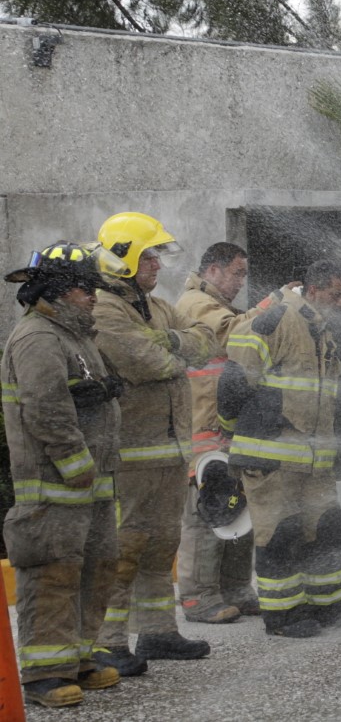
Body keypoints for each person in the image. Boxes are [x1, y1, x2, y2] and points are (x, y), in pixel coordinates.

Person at [218, 259, 341, 638]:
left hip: (313, 462)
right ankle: (283, 615)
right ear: (315, 289)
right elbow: (234, 380)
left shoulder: (319, 328)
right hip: (273, 459)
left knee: (328, 531)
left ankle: (333, 606)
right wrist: (231, 433)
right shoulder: (278, 318)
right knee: (280, 535)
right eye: (335, 294)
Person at [2, 242, 128, 707]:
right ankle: (43, 674)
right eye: (82, 287)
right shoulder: (39, 338)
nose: (92, 295)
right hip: (56, 488)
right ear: (54, 291)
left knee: (94, 570)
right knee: (54, 574)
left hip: (89, 487)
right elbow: (46, 409)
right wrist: (77, 466)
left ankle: (76, 657)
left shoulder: (75, 335)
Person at [93, 213, 215, 673]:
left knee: (162, 545)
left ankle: (158, 632)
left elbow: (205, 342)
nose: (157, 265)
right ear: (123, 256)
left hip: (168, 453)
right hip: (128, 456)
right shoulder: (104, 308)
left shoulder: (158, 308)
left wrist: (166, 341)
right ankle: (108, 642)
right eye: (148, 256)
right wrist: (172, 349)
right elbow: (144, 362)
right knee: (123, 549)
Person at [174, 242, 262, 624]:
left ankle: (236, 589)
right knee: (205, 514)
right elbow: (231, 336)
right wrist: (272, 304)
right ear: (212, 270)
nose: (241, 282)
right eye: (236, 273)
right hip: (203, 432)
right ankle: (198, 597)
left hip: (226, 431)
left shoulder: (221, 306)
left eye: (244, 274)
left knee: (237, 509)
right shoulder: (196, 303)